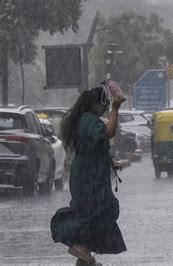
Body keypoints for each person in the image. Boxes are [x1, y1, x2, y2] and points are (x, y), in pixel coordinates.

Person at [51, 86, 127, 265]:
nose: (105, 109)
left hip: (89, 174)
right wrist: (116, 108)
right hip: (89, 176)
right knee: (101, 210)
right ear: (94, 104)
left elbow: (96, 146)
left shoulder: (85, 120)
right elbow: (108, 132)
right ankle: (78, 244)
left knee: (90, 212)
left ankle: (86, 257)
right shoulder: (88, 121)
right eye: (104, 105)